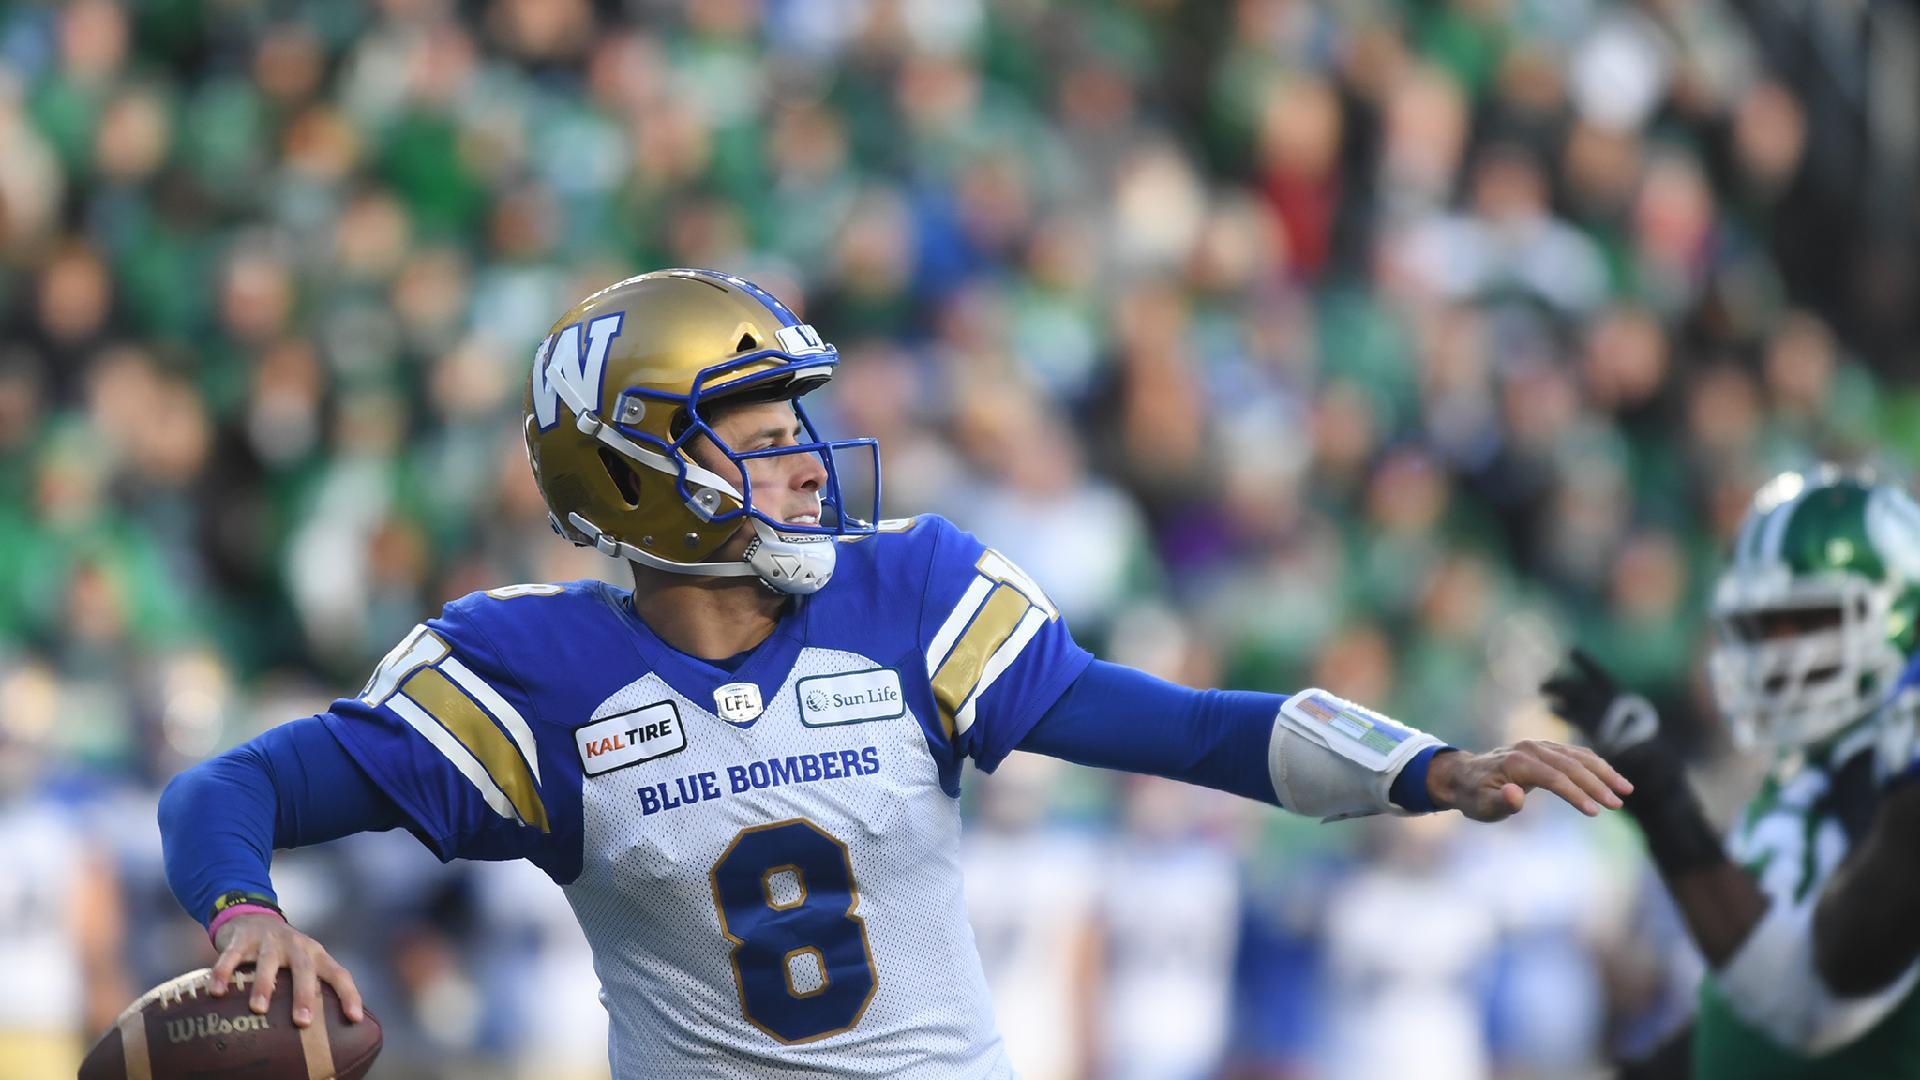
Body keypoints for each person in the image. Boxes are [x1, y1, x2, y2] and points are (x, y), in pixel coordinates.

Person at [160, 268, 1631, 1077]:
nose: (803, 454)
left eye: (800, 415)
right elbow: (230, 785)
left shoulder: (911, 593)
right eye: (756, 424)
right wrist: (244, 915)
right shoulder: (527, 673)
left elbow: (1180, 729)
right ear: (633, 469)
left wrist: (1429, 767)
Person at [1544, 469, 1920, 1077]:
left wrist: (1668, 809)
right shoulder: (1807, 770)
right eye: (1763, 629)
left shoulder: (1887, 776)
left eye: (1809, 623)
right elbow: (1748, 1014)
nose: (1777, 657)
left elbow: (1811, 1012)